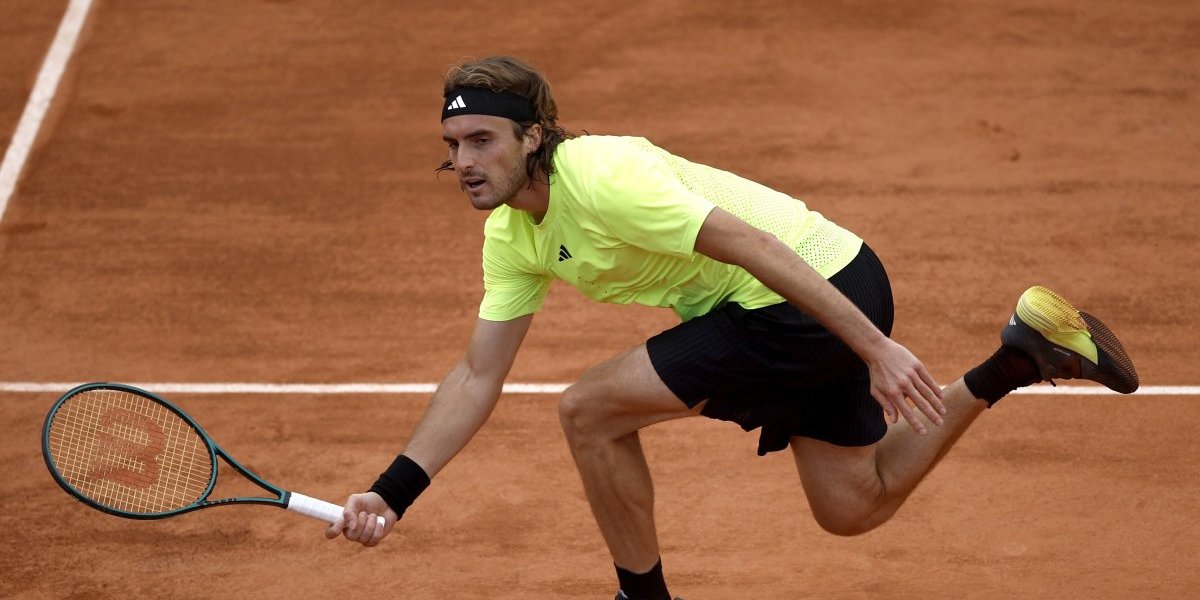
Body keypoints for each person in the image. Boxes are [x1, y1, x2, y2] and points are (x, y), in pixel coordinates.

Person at [324, 56, 1139, 600]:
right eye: (453, 145)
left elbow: (755, 246)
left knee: (588, 410)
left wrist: (875, 348)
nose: (464, 161)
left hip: (805, 294)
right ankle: (1019, 355)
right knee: (853, 505)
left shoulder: (602, 179)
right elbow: (477, 375)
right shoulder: (512, 237)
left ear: (533, 136)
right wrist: (394, 493)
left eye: (482, 140)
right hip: (813, 292)